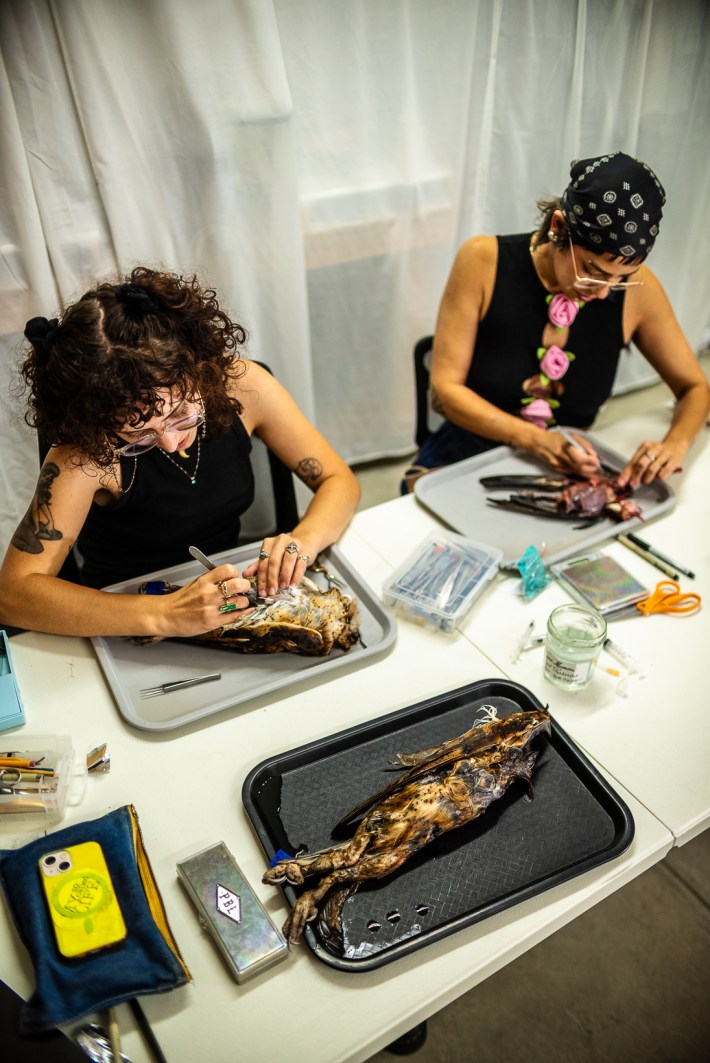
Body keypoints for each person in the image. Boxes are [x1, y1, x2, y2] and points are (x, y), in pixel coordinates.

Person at [0, 268, 360, 638]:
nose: (171, 441)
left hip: (228, 583)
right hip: (123, 613)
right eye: (138, 434)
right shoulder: (85, 454)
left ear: (198, 366)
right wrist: (165, 614)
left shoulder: (244, 387)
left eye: (180, 414)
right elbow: (13, 594)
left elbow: (339, 480)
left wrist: (305, 541)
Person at [404, 151, 710, 491]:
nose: (603, 292)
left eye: (621, 277)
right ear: (559, 227)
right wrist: (536, 440)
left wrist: (673, 445)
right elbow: (445, 391)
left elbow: (694, 388)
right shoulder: (482, 261)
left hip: (572, 470)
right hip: (465, 454)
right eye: (593, 271)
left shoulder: (637, 293)